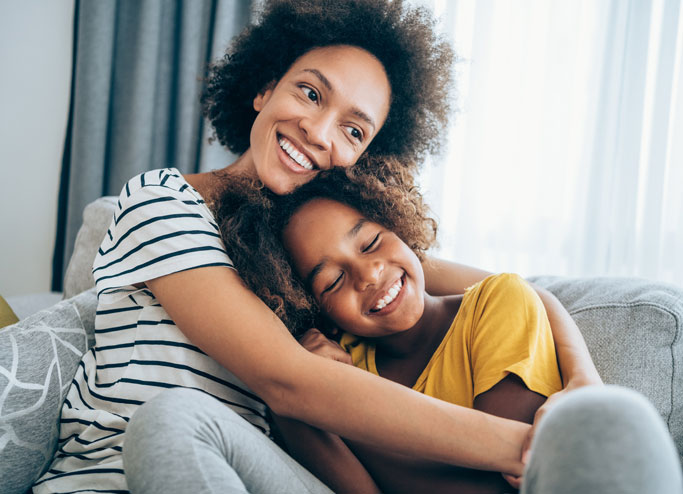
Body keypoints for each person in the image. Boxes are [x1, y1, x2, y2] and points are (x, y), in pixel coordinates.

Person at [33, 1, 603, 492]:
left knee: (176, 419)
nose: (319, 131)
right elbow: (287, 382)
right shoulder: (165, 203)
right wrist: (534, 449)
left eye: (354, 130)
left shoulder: (319, 246)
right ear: (262, 89)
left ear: (367, 157)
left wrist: (584, 383)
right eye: (310, 93)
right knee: (172, 419)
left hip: (261, 470)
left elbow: (516, 291)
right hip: (111, 473)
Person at [213, 166, 683, 493]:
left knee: (626, 418)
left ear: (397, 222)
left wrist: (342, 410)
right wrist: (316, 396)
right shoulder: (332, 367)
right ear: (315, 308)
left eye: (372, 241)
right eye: (332, 280)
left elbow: (493, 483)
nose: (370, 276)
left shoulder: (498, 304)